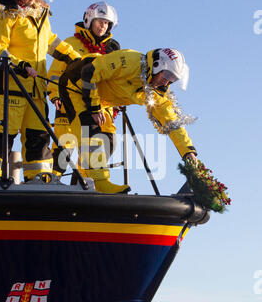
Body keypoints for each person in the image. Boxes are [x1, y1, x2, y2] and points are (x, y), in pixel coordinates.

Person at [0, 0, 81, 190]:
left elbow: (49, 41)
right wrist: (20, 65)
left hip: (35, 87)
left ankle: (40, 181)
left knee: (39, 134)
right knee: (3, 131)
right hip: (8, 83)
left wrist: (74, 58)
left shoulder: (39, 13)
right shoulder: (0, 11)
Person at [59, 47, 198, 194]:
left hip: (99, 98)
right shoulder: (129, 61)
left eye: (173, 79)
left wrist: (188, 152)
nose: (167, 82)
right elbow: (89, 72)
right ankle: (100, 183)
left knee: (109, 139)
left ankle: (85, 181)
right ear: (157, 65)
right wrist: (93, 108)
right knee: (90, 132)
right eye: (168, 74)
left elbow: (171, 122)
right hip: (75, 86)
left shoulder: (156, 91)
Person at [47, 1, 120, 177]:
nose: (103, 26)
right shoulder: (70, 43)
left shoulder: (112, 50)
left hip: (100, 106)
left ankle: (84, 183)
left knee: (107, 143)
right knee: (64, 147)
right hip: (70, 102)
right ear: (89, 20)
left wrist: (116, 103)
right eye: (100, 21)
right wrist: (55, 95)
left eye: (106, 23)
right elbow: (56, 72)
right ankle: (50, 185)